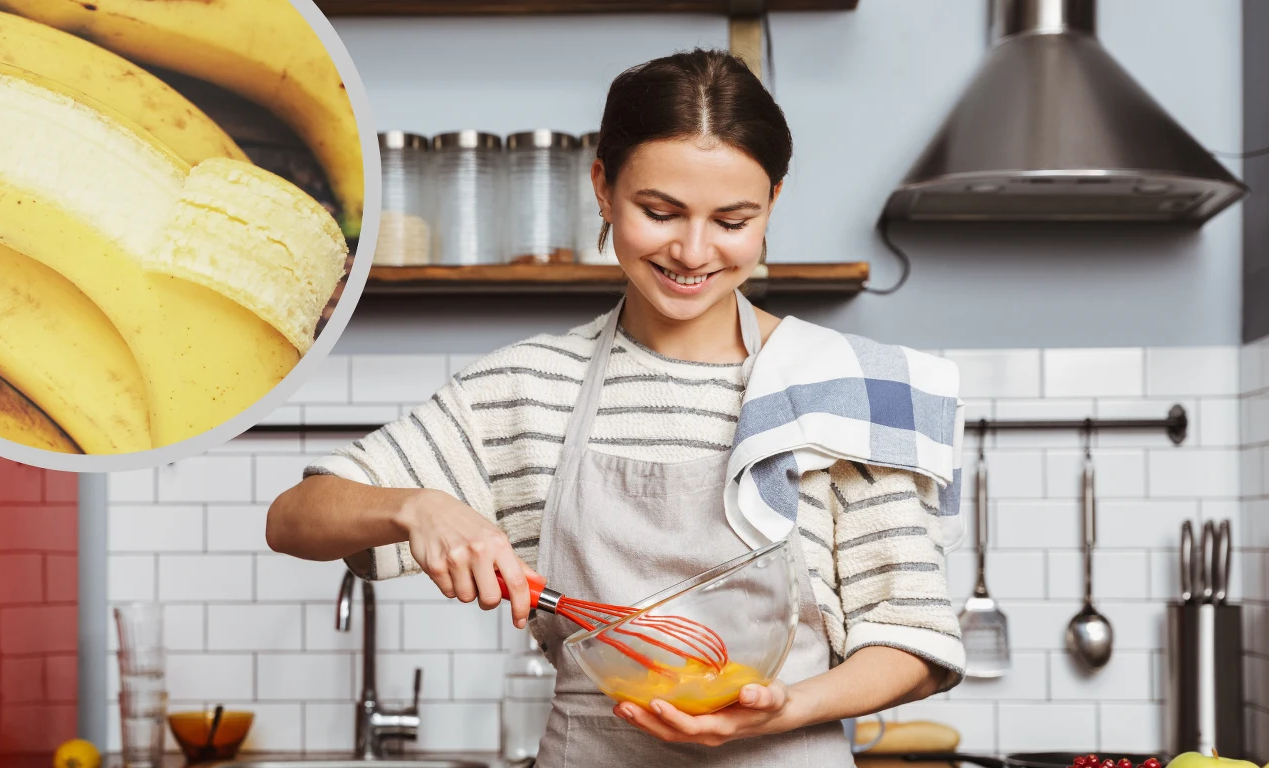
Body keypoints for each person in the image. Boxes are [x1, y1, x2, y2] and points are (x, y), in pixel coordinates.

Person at [267, 48, 964, 767]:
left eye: (732, 220)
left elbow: (911, 634)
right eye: (659, 211)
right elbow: (293, 517)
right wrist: (414, 507)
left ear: (772, 205)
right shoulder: (528, 387)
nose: (693, 251)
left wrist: (788, 708)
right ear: (602, 187)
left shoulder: (842, 383)